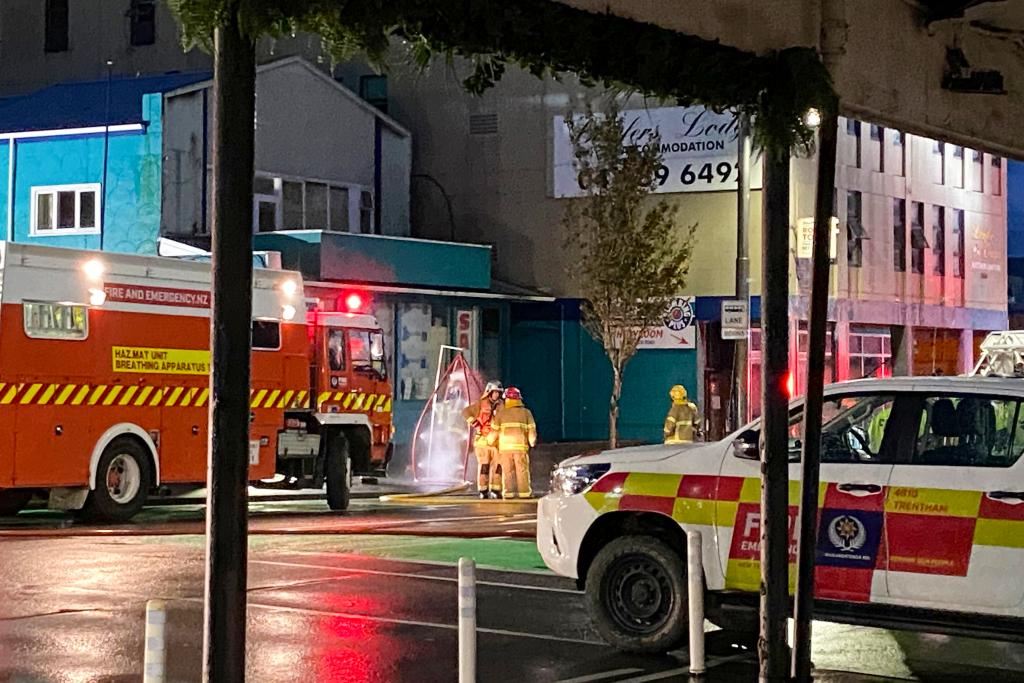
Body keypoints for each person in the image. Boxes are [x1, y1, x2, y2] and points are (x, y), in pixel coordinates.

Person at [490, 386, 537, 499]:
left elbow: (494, 432)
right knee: (522, 471)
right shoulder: (526, 413)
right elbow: (532, 430)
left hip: (505, 449)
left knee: (507, 472)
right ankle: (524, 493)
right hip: (520, 449)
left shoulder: (501, 414)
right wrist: (532, 442)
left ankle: (508, 493)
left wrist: (490, 441)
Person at [462, 381, 504, 498]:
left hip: (497, 443)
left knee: (498, 467)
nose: (496, 395)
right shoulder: (480, 404)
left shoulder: (503, 406)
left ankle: (496, 490)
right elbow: (465, 412)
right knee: (484, 467)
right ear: (489, 392)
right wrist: (476, 424)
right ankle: (483, 490)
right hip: (482, 442)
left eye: (498, 393)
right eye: (494, 392)